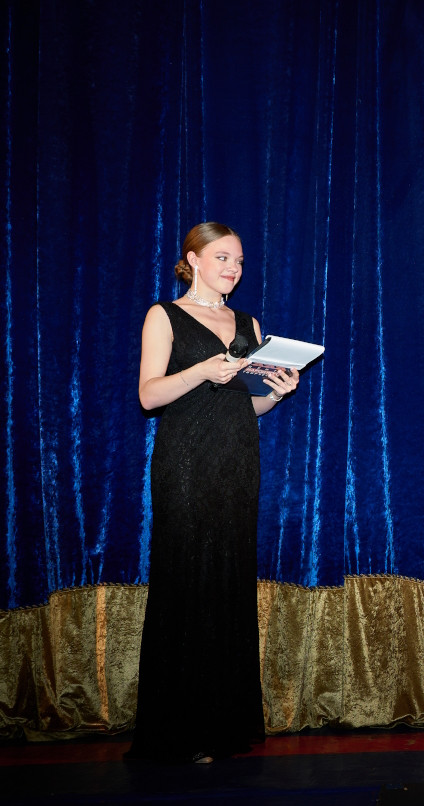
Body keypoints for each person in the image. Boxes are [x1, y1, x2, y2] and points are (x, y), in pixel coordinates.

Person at [128, 222, 300, 763]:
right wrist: (202, 370)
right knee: (187, 582)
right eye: (223, 257)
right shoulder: (164, 315)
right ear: (194, 259)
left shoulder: (247, 323)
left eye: (239, 260)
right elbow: (149, 396)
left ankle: (222, 725)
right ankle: (179, 731)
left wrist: (276, 393)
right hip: (185, 463)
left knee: (227, 582)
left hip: (237, 464)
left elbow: (245, 406)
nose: (233, 268)